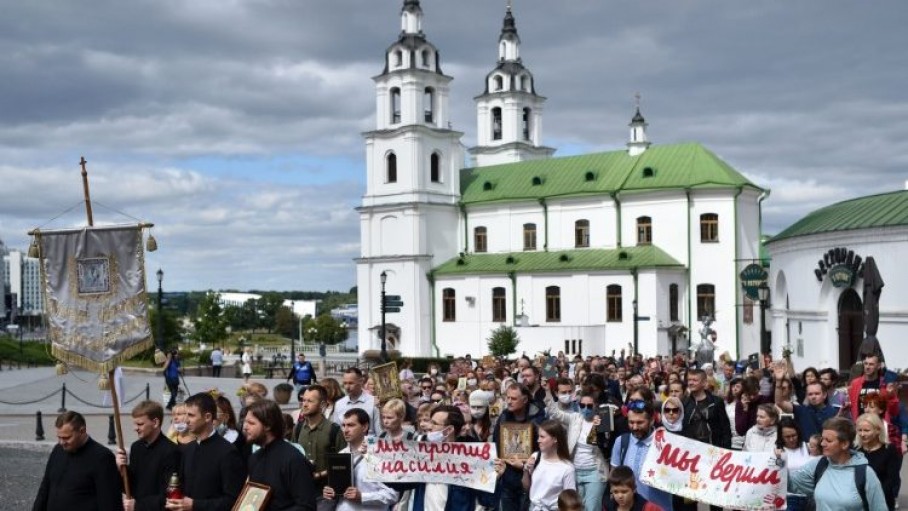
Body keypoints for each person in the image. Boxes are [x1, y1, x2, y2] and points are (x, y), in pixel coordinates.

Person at [167, 392, 246, 510]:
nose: (186, 420)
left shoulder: (227, 452)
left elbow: (233, 500)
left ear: (208, 417)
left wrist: (195, 505)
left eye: (191, 415)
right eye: (186, 415)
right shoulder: (188, 449)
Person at [788, 416, 887, 511]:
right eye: (822, 439)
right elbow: (789, 483)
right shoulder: (819, 465)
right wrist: (779, 462)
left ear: (844, 444)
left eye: (828, 440)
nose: (822, 444)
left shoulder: (865, 474)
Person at [33, 411, 123, 511]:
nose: (62, 442)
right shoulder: (57, 450)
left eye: (67, 438)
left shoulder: (102, 457)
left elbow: (109, 502)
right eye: (59, 437)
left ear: (82, 431)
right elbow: (45, 487)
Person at [244, 399, 317, 510]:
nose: (245, 427)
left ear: (268, 425)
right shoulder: (254, 458)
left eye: (251, 423)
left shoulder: (293, 459)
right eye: (245, 422)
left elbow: (306, 505)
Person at [322, 408, 399, 511]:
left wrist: (362, 497)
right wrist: (330, 493)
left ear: (364, 427)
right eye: (343, 425)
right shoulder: (340, 455)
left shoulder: (380, 455)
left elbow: (393, 494)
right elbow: (338, 491)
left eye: (351, 425)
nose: (345, 430)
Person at [544, 389, 609, 511]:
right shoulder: (575, 418)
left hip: (595, 472)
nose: (585, 408)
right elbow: (556, 413)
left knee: (592, 508)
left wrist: (598, 427)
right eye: (582, 405)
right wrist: (548, 390)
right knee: (577, 507)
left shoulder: (602, 420)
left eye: (589, 406)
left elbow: (605, 444)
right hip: (575, 471)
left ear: (596, 406)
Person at [116, 401, 181, 511]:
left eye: (140, 424)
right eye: (135, 424)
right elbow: (130, 488)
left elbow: (170, 496)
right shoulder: (136, 447)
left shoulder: (171, 451)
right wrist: (121, 469)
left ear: (155, 423)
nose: (135, 428)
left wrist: (138, 506)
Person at [493, 383, 548, 511]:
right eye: (508, 398)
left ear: (524, 400)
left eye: (514, 398)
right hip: (507, 479)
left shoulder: (538, 420)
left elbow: (543, 450)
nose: (509, 402)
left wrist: (525, 464)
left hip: (530, 479)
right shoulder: (504, 417)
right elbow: (496, 442)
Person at [609, 400, 672, 511]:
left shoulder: (666, 442)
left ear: (652, 420)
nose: (634, 427)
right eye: (631, 422)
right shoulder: (622, 441)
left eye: (640, 423)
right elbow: (614, 475)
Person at [294, 384, 346, 505]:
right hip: (302, 491)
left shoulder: (334, 430)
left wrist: (320, 474)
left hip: (325, 493)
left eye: (310, 401)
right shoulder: (298, 428)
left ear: (322, 405)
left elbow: (342, 463)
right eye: (303, 400)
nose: (304, 404)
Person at [522, 420, 577, 511]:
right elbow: (526, 486)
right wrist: (526, 470)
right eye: (538, 436)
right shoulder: (536, 457)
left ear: (555, 439)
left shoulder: (567, 468)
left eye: (542, 437)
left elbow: (569, 500)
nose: (538, 440)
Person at [773, 362, 838, 439]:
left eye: (817, 394)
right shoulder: (801, 410)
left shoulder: (833, 412)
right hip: (805, 449)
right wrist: (778, 381)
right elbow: (779, 402)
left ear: (824, 395)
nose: (813, 397)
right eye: (810, 394)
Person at [855, 413, 901, 510]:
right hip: (857, 501)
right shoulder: (855, 449)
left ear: (877, 430)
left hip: (882, 500)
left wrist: (873, 497)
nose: (862, 434)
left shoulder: (889, 449)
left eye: (867, 430)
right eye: (860, 430)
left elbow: (892, 479)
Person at [774, 417, 815, 511]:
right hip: (790, 498)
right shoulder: (777, 451)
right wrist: (778, 459)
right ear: (781, 437)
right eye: (787, 437)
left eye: (794, 435)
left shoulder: (807, 447)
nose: (792, 439)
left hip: (810, 496)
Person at [332, 367, 381, 435]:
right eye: (345, 383)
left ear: (361, 381)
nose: (347, 387)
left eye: (351, 383)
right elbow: (336, 431)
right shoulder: (339, 404)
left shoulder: (373, 402)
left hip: (369, 444)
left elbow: (380, 431)